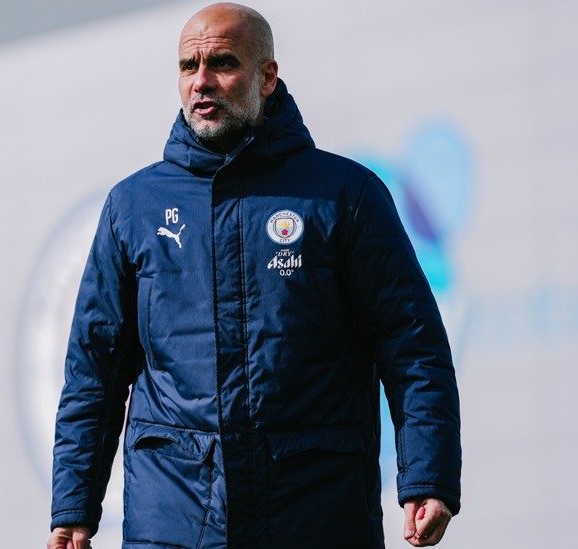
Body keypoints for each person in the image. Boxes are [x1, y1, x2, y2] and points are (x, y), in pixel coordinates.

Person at [47, 3, 461, 548]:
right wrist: (73, 505)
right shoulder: (133, 207)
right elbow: (94, 372)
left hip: (316, 515)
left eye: (222, 63)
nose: (202, 82)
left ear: (267, 76)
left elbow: (413, 348)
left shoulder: (346, 195)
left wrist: (427, 475)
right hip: (173, 518)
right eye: (187, 67)